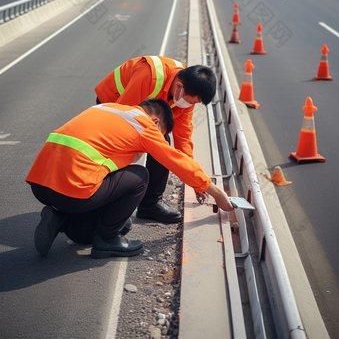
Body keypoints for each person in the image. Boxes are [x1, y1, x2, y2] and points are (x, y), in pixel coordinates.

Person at [26, 99, 233, 259]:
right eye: (161, 134)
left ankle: (61, 220)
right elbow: (176, 161)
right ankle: (106, 240)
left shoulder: (108, 108)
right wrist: (216, 192)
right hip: (72, 191)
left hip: (40, 184)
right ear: (156, 122)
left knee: (120, 224)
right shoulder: (144, 125)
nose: (158, 138)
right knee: (140, 176)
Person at [94, 56, 216, 224]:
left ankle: (149, 205)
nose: (189, 105)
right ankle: (101, 200)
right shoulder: (148, 76)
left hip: (149, 112)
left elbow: (184, 139)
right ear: (179, 87)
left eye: (193, 103)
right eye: (190, 101)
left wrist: (196, 181)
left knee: (163, 145)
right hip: (113, 104)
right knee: (117, 148)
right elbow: (121, 119)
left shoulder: (186, 93)